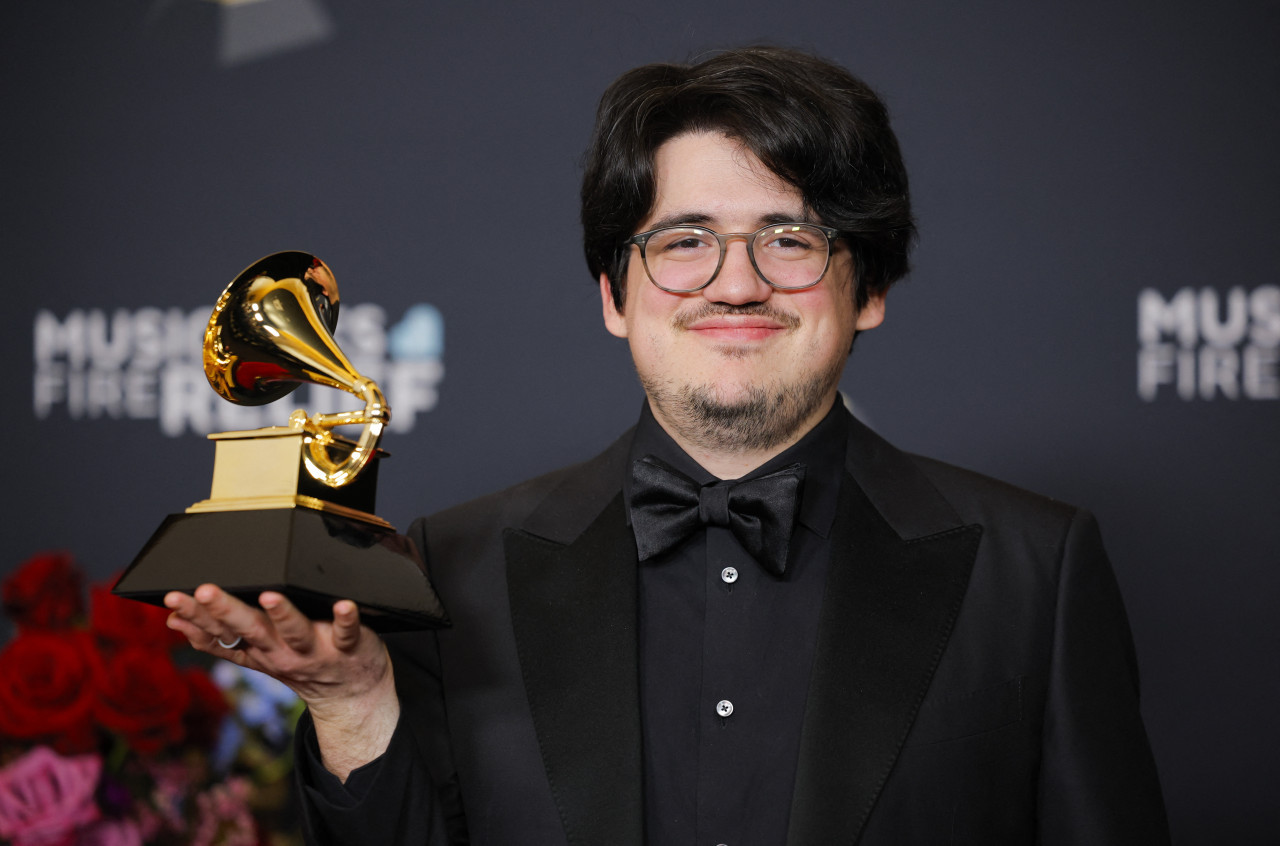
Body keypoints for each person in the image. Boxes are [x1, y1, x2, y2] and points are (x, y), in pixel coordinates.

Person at [166, 46, 1170, 845]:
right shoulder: (450, 569)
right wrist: (349, 711)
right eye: (682, 241)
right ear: (614, 293)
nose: (734, 284)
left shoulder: (1032, 574)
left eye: (788, 238)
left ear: (866, 289)